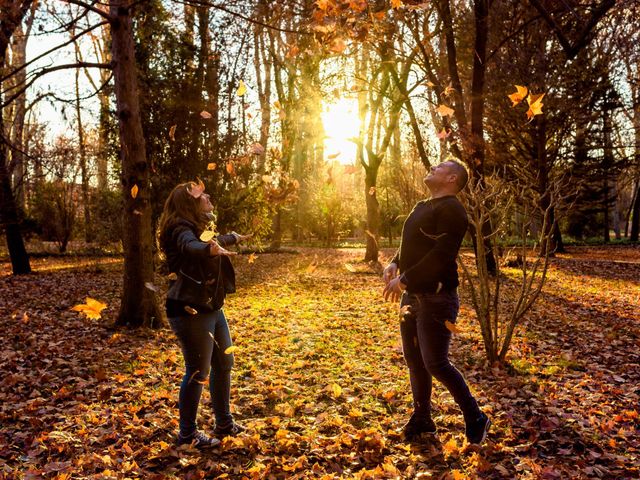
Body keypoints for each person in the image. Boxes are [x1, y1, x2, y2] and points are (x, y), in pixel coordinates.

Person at [382, 159, 491, 445]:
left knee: (436, 363)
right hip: (412, 297)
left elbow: (442, 253)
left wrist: (404, 279)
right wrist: (395, 263)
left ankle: (475, 417)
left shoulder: (453, 210)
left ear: (452, 178)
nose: (432, 167)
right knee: (415, 361)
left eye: (440, 166)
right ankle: (423, 419)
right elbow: (414, 244)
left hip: (437, 298)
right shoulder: (422, 206)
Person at [158, 180, 251, 448]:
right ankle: (187, 434)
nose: (207, 195)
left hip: (210, 305)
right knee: (198, 370)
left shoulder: (200, 228)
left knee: (224, 363)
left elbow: (207, 240)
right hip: (189, 308)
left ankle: (224, 423)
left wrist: (232, 238)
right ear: (189, 203)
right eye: (200, 194)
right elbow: (191, 246)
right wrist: (208, 249)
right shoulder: (180, 228)